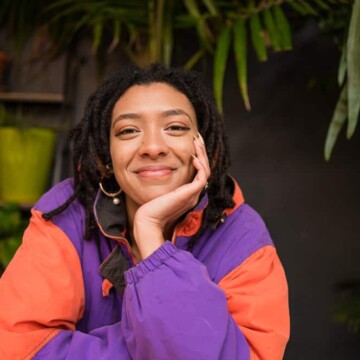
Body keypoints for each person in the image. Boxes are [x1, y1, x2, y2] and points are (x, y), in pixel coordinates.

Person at [0, 63, 289, 360]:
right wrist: (160, 347)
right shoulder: (67, 216)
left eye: (175, 127)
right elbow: (20, 348)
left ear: (203, 147)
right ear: (106, 155)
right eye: (128, 131)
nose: (152, 147)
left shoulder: (241, 235)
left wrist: (151, 235)